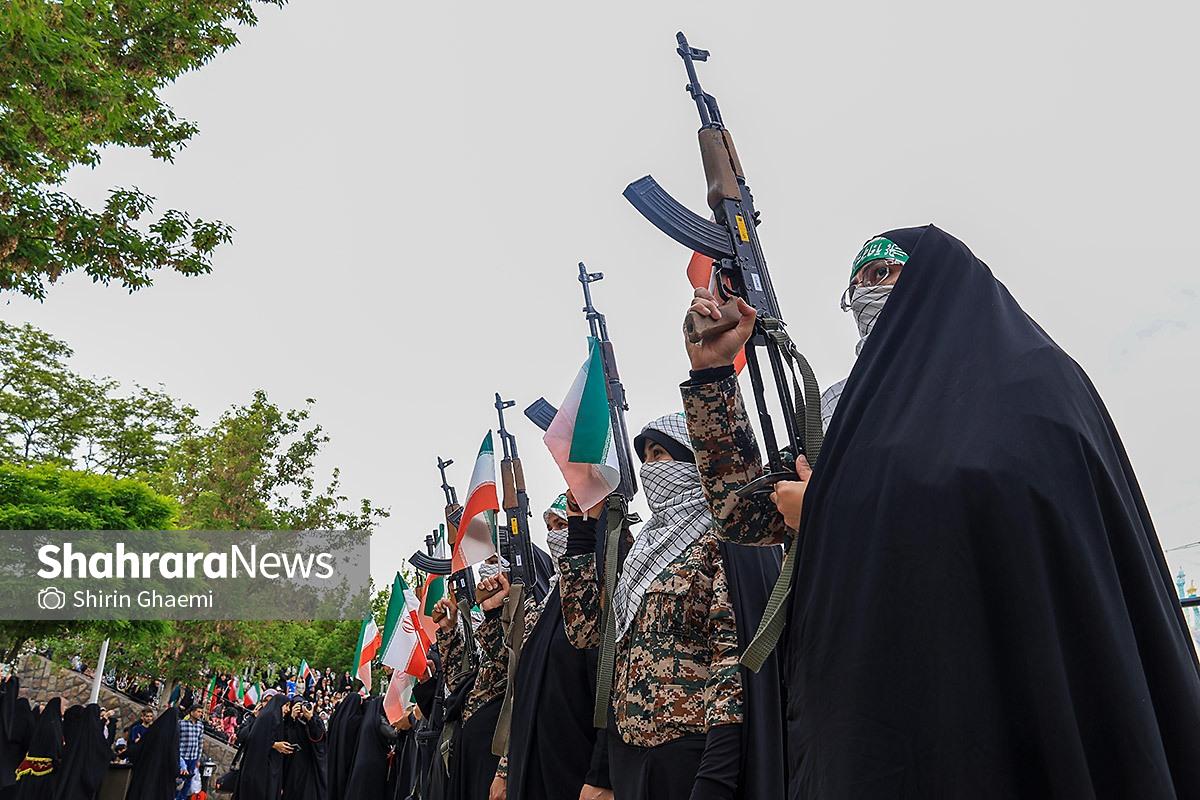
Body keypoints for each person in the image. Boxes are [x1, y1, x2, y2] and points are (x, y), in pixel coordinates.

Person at [680, 224, 1200, 797]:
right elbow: (741, 514)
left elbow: (1011, 515)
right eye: (856, 286)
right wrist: (711, 375)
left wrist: (832, 514)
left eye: (883, 274)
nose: (867, 294)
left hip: (1001, 698)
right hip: (870, 716)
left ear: (938, 281)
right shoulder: (839, 411)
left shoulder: (1032, 381)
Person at [559, 414, 743, 800]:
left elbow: (731, 658)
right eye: (644, 458)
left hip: (689, 754)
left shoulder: (721, 540)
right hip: (629, 757)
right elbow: (586, 632)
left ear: (691, 459)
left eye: (659, 453)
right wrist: (580, 530)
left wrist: (717, 775)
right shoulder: (641, 551)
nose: (649, 467)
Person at [489, 496, 611, 800]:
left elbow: (610, 685)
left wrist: (602, 773)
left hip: (577, 770)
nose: (555, 534)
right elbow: (516, 686)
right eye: (550, 527)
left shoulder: (600, 587)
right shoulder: (544, 604)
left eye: (563, 524)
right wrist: (506, 768)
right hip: (531, 766)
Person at [125, 707, 180, 800]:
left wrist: (124, 754)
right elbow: (174, 754)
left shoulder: (154, 729)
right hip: (163, 774)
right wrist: (176, 771)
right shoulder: (173, 733)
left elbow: (139, 747)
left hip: (146, 769)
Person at [176, 702, 204, 800]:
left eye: (201, 712)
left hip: (193, 757)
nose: (200, 714)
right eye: (198, 711)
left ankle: (182, 798)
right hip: (182, 756)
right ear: (192, 712)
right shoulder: (181, 723)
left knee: (188, 781)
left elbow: (200, 742)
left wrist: (198, 759)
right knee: (179, 780)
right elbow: (176, 740)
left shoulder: (200, 725)